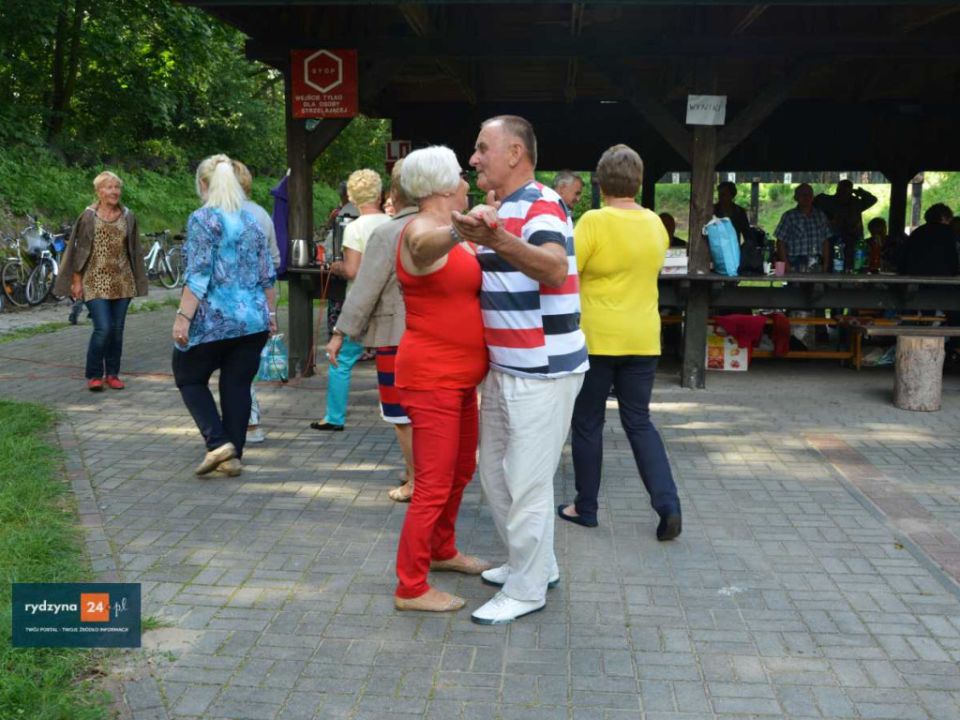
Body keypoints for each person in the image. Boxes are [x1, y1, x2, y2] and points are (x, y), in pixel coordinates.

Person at [452, 115, 588, 625]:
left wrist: (495, 239)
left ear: (515, 153)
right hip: (507, 367)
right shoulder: (503, 207)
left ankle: (528, 590)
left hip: (544, 368)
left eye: (481, 147)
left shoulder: (542, 203)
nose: (473, 158)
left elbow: (553, 267)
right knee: (495, 474)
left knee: (527, 483)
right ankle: (535, 564)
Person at [557, 144, 681, 540]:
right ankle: (668, 505)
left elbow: (567, 273)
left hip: (597, 338)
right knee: (639, 422)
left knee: (588, 422)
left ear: (600, 182)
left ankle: (585, 507)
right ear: (639, 182)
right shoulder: (656, 224)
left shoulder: (593, 221)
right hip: (643, 338)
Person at [392, 146, 491, 612]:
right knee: (432, 484)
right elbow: (421, 248)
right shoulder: (420, 230)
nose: (468, 182)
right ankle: (410, 588)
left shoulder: (454, 232)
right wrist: (458, 230)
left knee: (461, 470)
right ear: (444, 185)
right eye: (461, 175)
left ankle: (441, 550)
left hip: (458, 379)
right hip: (432, 377)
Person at [172, 154, 277, 477]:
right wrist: (271, 314)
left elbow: (198, 274)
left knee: (188, 376)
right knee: (237, 385)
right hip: (253, 321)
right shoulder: (252, 221)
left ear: (203, 184)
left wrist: (182, 317)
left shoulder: (202, 219)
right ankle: (233, 457)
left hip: (213, 320)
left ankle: (218, 443)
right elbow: (268, 275)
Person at [326, 159, 417, 502]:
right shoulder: (425, 225)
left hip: (388, 325)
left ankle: (414, 477)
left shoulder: (377, 231)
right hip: (424, 329)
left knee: (398, 410)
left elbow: (362, 281)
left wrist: (340, 332)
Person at [310, 169, 389, 432]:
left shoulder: (355, 228)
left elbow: (352, 270)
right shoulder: (392, 222)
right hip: (390, 302)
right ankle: (396, 411)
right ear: (379, 195)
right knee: (391, 358)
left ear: (352, 197)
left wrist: (337, 267)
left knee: (341, 358)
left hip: (361, 302)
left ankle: (334, 417)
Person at [54, 171, 148, 391]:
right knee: (103, 328)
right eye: (109, 187)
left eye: (117, 187)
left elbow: (134, 250)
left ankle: (112, 374)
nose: (114, 191)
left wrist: (138, 280)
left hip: (123, 282)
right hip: (94, 281)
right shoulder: (88, 216)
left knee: (117, 331)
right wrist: (76, 280)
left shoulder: (128, 216)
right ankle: (95, 374)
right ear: (98, 191)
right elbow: (78, 250)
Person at [233, 160, 281, 444]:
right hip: (259, 300)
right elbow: (274, 260)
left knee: (234, 368)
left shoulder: (214, 214)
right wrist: (271, 310)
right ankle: (248, 422)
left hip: (230, 304)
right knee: (244, 365)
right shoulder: (261, 213)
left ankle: (248, 423)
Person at [815, 179, 877, 270]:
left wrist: (861, 192)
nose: (843, 193)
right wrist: (828, 220)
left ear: (851, 191)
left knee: (855, 268)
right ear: (837, 190)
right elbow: (814, 201)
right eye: (841, 190)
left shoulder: (855, 203)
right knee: (833, 268)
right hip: (834, 243)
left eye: (846, 191)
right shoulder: (828, 201)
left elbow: (872, 199)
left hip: (854, 243)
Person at [773, 183, 831, 272]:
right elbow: (780, 242)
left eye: (809, 194)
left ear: (813, 197)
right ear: (796, 198)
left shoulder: (820, 216)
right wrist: (787, 266)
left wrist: (825, 265)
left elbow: (825, 241)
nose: (806, 197)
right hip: (795, 263)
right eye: (802, 194)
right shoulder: (789, 216)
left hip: (816, 263)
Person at [900, 203, 958, 276]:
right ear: (943, 218)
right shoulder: (949, 233)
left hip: (914, 278)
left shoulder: (917, 232)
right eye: (949, 220)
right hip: (944, 278)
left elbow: (904, 260)